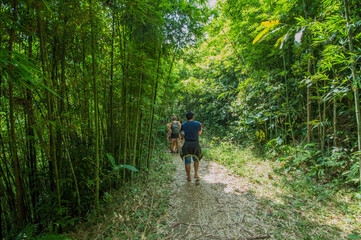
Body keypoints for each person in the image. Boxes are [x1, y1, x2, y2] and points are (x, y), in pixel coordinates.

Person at [180, 111, 203, 182]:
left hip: (187, 143)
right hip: (195, 144)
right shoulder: (198, 124)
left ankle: (189, 177)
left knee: (187, 161)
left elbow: (182, 135)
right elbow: (199, 133)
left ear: (186, 117)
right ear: (193, 116)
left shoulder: (183, 125)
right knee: (196, 159)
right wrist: (201, 129)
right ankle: (196, 174)